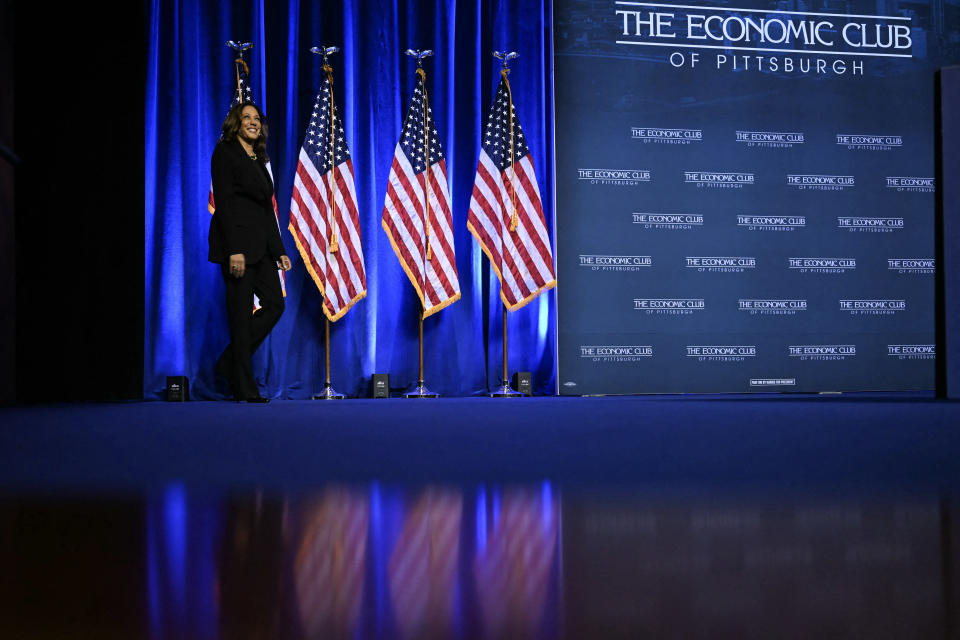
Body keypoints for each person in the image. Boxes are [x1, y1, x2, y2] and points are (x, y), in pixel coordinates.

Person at [209, 102, 292, 402]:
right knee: (240, 317)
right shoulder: (225, 152)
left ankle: (230, 362)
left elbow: (266, 210)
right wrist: (234, 250)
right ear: (236, 122)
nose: (253, 122)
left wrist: (279, 250)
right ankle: (244, 387)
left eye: (257, 119)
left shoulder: (259, 159)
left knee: (275, 306)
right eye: (247, 118)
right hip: (237, 249)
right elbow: (225, 204)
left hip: (262, 250)